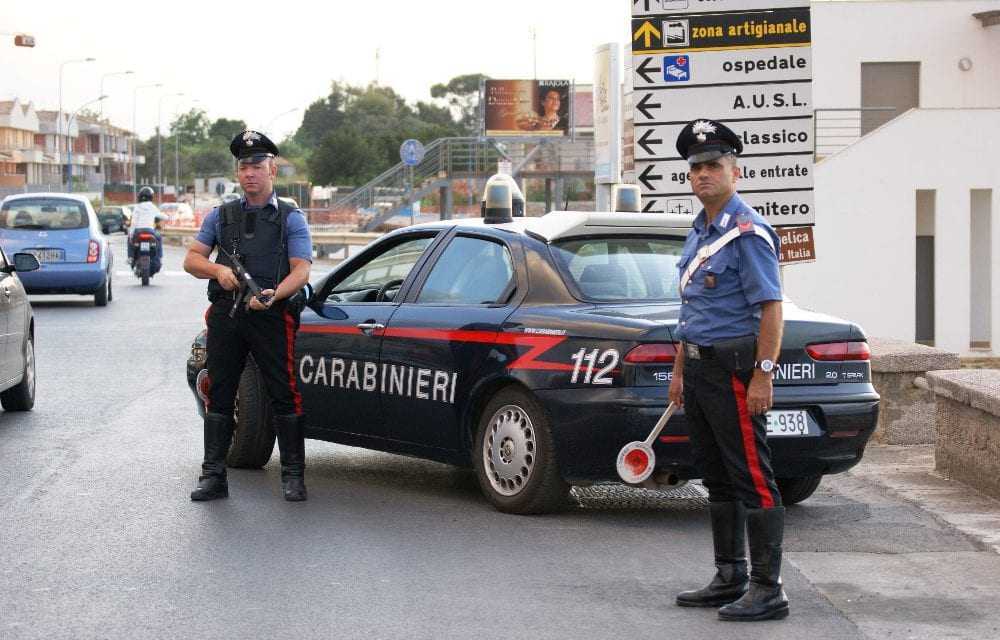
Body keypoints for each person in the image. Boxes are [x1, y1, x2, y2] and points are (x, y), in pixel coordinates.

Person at [668, 119, 788, 621]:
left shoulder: (748, 234)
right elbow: (692, 312)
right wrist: (678, 370)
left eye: (713, 165)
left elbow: (771, 308)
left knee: (752, 478)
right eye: (695, 168)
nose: (703, 175)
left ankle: (768, 587)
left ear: (734, 171)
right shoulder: (699, 233)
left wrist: (763, 374)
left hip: (736, 371)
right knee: (715, 477)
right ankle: (729, 575)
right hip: (698, 371)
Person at [183, 130, 313, 502]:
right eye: (243, 166)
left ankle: (292, 475)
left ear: (272, 168)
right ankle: (213, 476)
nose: (250, 173)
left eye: (257, 165)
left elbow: (301, 269)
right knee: (219, 390)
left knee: (283, 391)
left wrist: (276, 295)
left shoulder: (290, 217)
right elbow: (192, 259)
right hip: (228, 313)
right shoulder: (221, 216)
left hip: (271, 313)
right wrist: (218, 272)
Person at [129, 186, 167, 270]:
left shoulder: (137, 207)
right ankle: (159, 257)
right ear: (151, 196)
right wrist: (168, 216)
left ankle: (131, 257)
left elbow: (134, 222)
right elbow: (162, 216)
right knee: (159, 238)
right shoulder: (152, 207)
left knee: (129, 240)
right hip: (150, 231)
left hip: (138, 231)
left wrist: (131, 234)